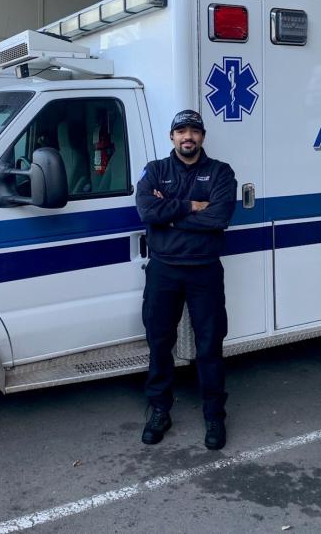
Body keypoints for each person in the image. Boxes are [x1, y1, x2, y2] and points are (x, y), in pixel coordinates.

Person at [135, 109, 237, 450]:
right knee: (159, 342)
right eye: (181, 131)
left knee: (210, 345)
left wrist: (173, 216)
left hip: (204, 269)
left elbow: (218, 218)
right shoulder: (156, 171)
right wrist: (193, 206)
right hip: (163, 269)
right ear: (172, 137)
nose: (187, 137)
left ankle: (214, 416)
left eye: (194, 131)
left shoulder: (221, 173)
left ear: (203, 137)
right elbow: (148, 212)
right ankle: (160, 410)